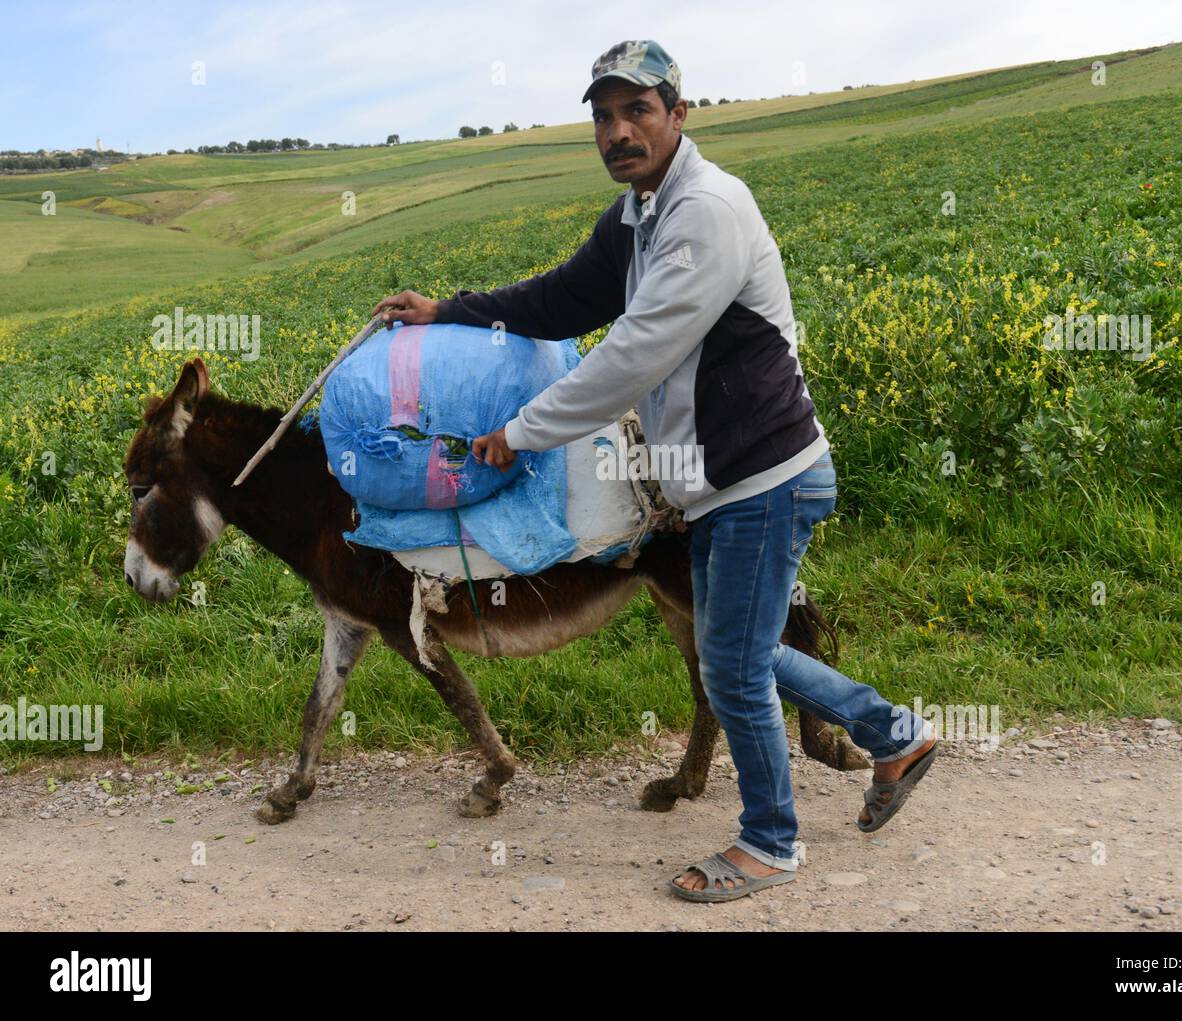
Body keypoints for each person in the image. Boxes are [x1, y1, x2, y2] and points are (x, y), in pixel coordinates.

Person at [372, 39, 936, 903]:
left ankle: (769, 842)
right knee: (734, 649)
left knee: (734, 666)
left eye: (638, 110)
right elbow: (558, 298)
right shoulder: (638, 215)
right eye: (604, 116)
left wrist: (519, 434)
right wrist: (449, 310)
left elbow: (633, 355)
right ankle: (894, 732)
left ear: (679, 113)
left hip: (763, 476)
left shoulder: (705, 210)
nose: (619, 130)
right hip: (716, 481)